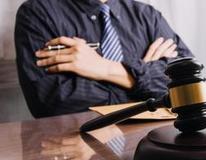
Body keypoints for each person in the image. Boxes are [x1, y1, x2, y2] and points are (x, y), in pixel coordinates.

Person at [14, 0, 193, 118]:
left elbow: (190, 89)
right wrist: (146, 84)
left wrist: (107, 69)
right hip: (76, 150)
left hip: (150, 142)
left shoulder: (148, 16)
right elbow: (53, 103)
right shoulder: (38, 13)